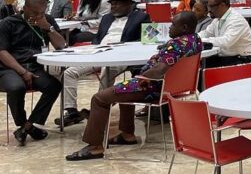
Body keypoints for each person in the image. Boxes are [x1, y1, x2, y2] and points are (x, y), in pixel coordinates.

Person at [65, 12, 203, 161]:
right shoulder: (195, 40)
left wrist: (140, 78)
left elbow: (160, 70)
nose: (169, 27)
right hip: (174, 87)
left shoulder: (176, 45)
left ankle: (94, 147)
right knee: (124, 88)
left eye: (173, 24)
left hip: (153, 88)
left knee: (99, 98)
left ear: (184, 27)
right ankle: (127, 135)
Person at [57, 0, 150, 128]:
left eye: (117, 4)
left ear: (128, 5)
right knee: (69, 72)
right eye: (112, 4)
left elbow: (145, 39)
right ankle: (71, 111)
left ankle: (98, 109)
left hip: (122, 56)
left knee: (107, 70)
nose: (113, 6)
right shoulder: (107, 18)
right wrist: (93, 48)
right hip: (99, 52)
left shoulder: (141, 17)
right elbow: (98, 37)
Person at [0, 0, 64, 145]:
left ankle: (27, 126)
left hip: (34, 67)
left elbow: (61, 45)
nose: (39, 16)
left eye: (42, 12)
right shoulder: (8, 23)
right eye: (35, 13)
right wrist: (22, 71)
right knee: (16, 87)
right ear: (25, 8)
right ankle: (23, 124)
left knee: (54, 86)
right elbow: (2, 52)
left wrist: (48, 28)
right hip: (9, 67)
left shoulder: (47, 21)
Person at [201, 0, 251, 67]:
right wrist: (193, 38)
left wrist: (201, 41)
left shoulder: (236, 20)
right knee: (198, 64)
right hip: (227, 57)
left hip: (244, 59)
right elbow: (206, 33)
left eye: (211, 6)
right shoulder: (217, 19)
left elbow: (226, 42)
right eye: (208, 7)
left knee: (203, 67)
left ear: (222, 5)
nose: (209, 10)